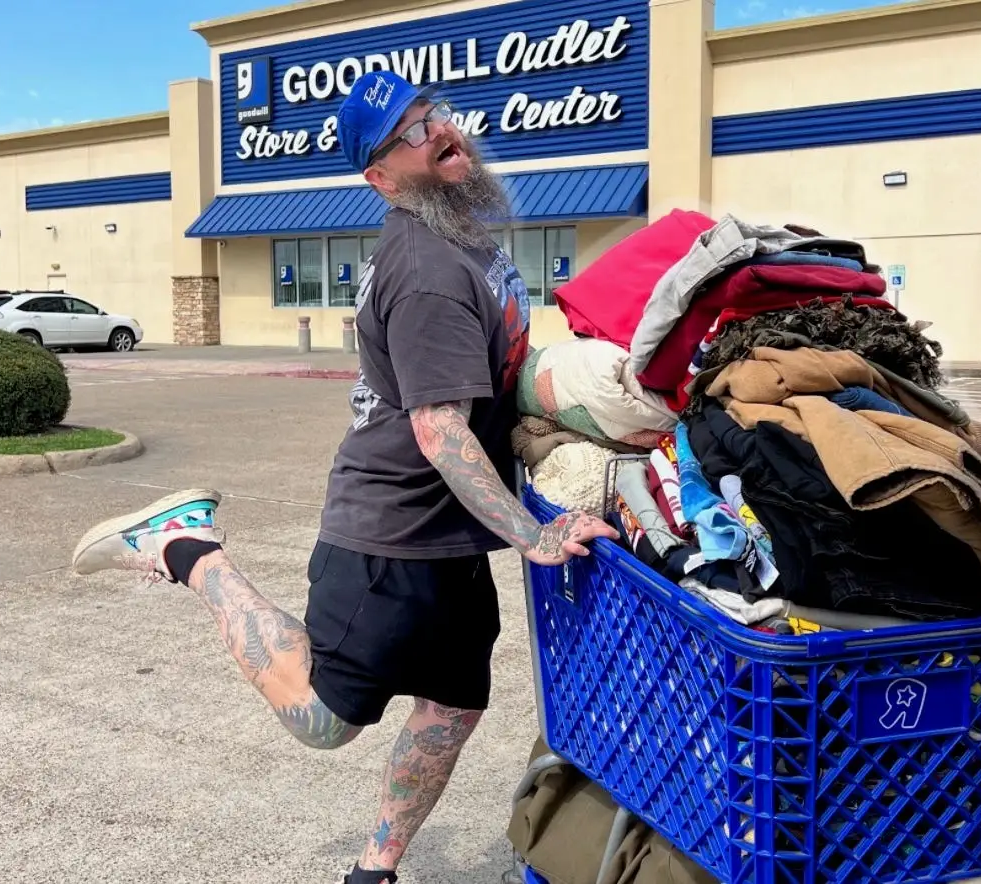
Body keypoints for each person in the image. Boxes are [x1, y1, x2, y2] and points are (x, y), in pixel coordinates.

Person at [71, 69, 618, 884]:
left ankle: (374, 869)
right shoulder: (429, 262)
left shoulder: (465, 235)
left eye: (432, 113)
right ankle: (186, 549)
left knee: (453, 706)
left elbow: (487, 378)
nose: (436, 131)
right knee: (326, 721)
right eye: (408, 133)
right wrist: (533, 535)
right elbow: (438, 430)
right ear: (380, 176)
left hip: (453, 537)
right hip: (390, 535)